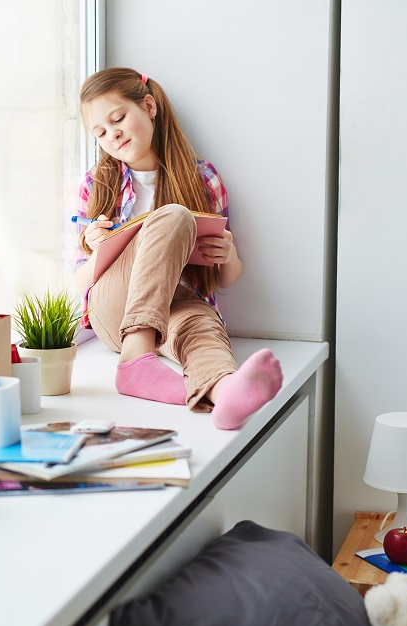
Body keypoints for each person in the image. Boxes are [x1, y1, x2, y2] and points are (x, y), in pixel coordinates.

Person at [71, 67, 282, 430]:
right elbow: (79, 282)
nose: (112, 135)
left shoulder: (203, 179)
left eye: (118, 118)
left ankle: (224, 391)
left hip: (174, 304)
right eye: (100, 132)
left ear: (149, 106)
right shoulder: (96, 184)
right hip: (115, 312)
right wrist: (95, 246)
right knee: (174, 217)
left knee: (202, 326)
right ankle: (135, 359)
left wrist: (228, 256)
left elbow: (226, 279)